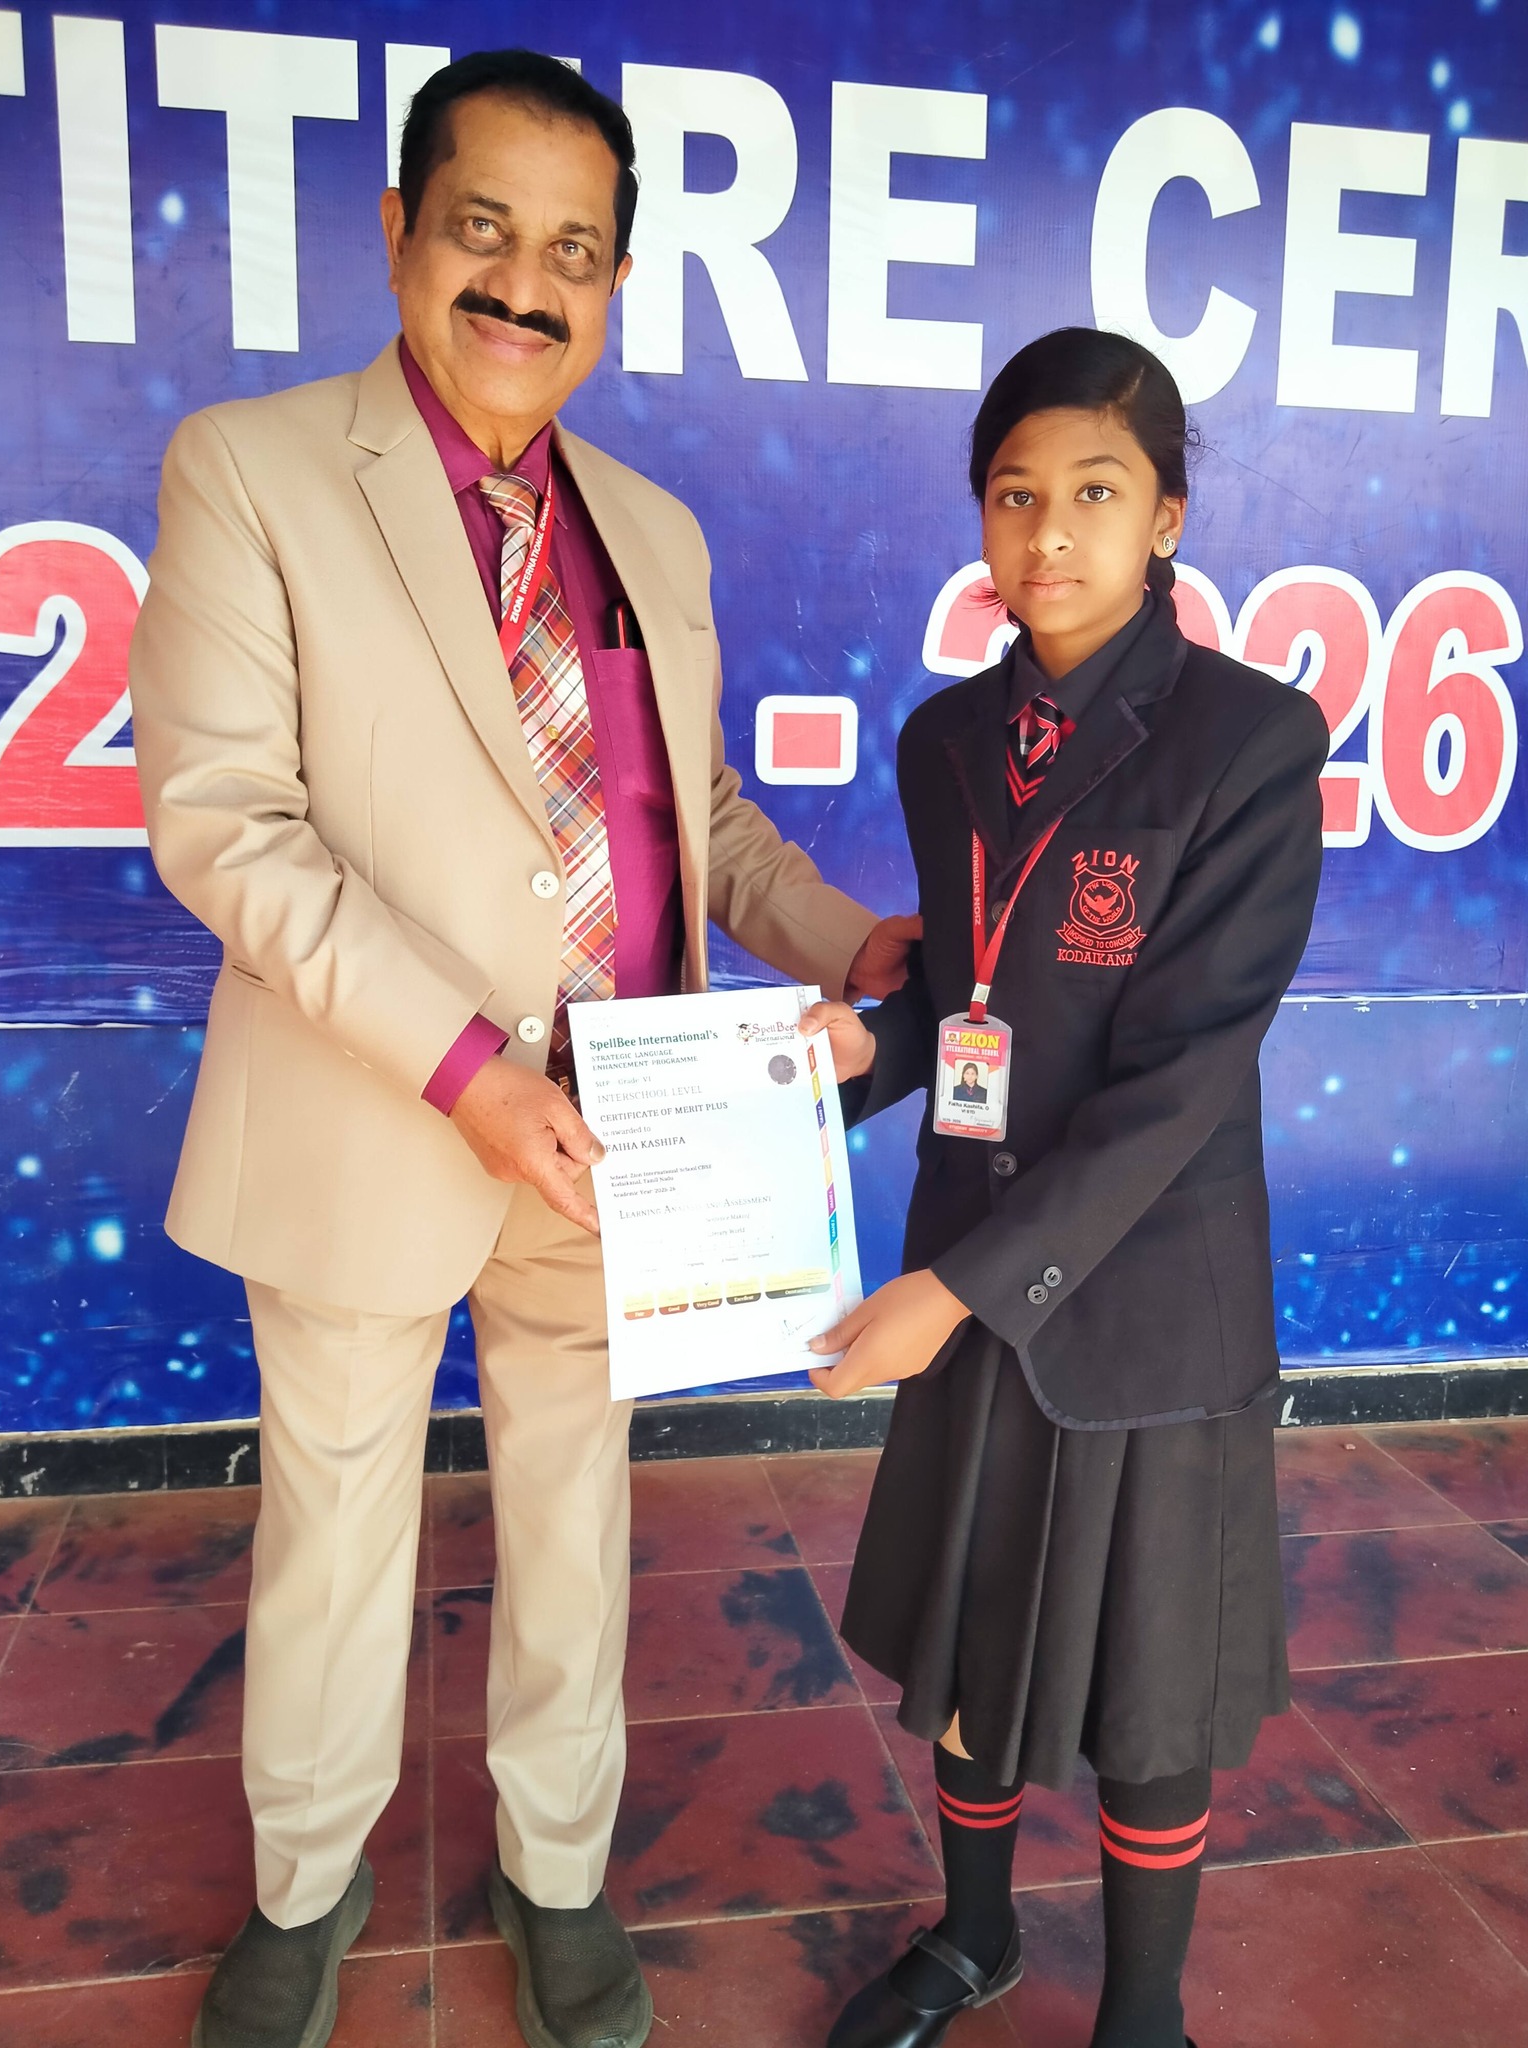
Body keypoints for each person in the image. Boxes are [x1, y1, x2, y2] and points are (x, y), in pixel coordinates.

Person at [129, 50, 914, 2048]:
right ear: (404, 232)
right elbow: (228, 826)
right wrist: (471, 1069)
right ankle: (305, 1889)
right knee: (336, 1540)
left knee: (577, 1522)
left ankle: (554, 1873)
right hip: (376, 1118)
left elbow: (697, 818)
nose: (523, 284)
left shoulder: (650, 528)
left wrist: (856, 940)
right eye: (484, 229)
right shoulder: (253, 470)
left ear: (616, 285)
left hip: (618, 1134)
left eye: (573, 251)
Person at [800, 327, 1327, 2048]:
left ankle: (1146, 2012)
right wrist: (850, 1058)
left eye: (1096, 492)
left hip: (1143, 1295)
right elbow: (972, 1003)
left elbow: (1179, 1076)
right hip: (970, 1256)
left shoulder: (1251, 742)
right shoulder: (945, 740)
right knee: (968, 1642)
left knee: (1151, 1692)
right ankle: (974, 1941)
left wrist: (955, 1290)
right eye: (1015, 495)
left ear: (1166, 515)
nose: (1050, 533)